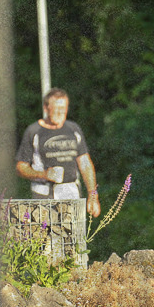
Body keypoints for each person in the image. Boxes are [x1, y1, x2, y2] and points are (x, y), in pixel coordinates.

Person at [15, 88, 101, 218]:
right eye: (57, 109)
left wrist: (93, 196)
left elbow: (85, 164)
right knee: (47, 231)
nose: (61, 112)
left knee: (72, 230)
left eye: (64, 109)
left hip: (71, 194)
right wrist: (44, 174)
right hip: (44, 196)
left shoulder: (73, 129)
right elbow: (20, 167)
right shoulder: (34, 132)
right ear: (46, 108)